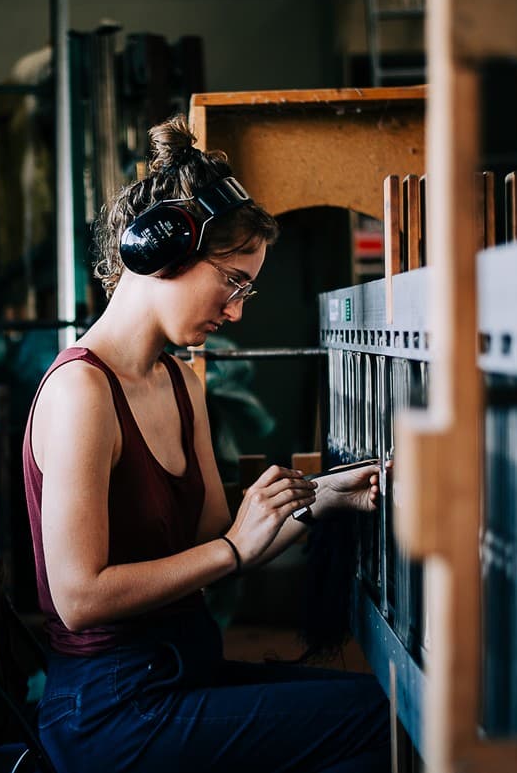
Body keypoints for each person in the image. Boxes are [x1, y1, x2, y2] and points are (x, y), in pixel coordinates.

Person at [22, 115, 391, 773]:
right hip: (112, 711)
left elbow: (222, 538)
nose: (238, 309)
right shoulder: (83, 391)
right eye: (233, 281)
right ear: (161, 253)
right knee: (371, 724)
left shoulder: (178, 380)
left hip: (182, 673)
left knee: (379, 709)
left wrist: (331, 495)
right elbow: (79, 598)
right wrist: (230, 548)